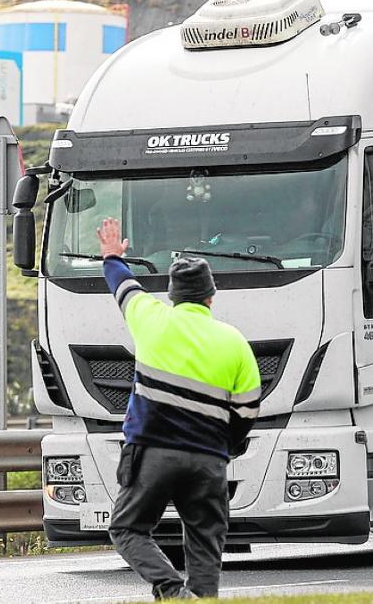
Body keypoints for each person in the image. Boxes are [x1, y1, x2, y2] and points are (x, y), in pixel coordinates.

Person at [98, 218, 262, 599]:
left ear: (172, 296)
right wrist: (224, 445)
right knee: (205, 543)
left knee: (126, 529)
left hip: (153, 454)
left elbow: (123, 286)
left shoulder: (151, 319)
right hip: (208, 459)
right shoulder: (234, 341)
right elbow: (247, 410)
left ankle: (173, 591)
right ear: (210, 297)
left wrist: (111, 255)